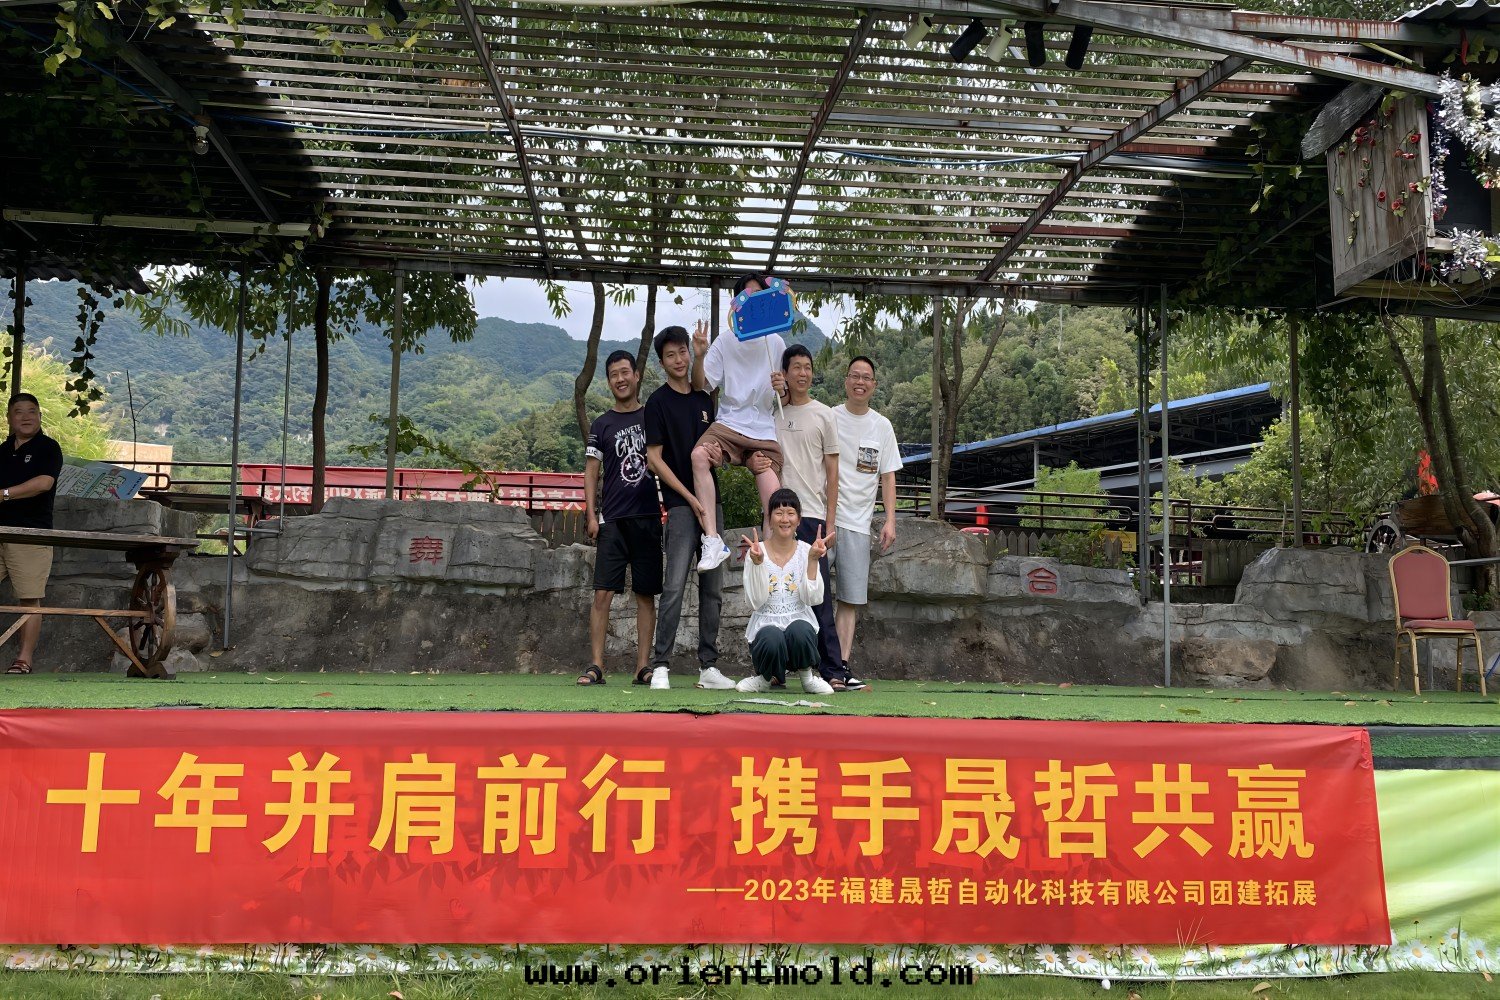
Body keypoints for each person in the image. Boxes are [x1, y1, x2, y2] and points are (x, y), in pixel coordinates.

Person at [642, 325, 737, 691]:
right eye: (671, 355)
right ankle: (661, 665)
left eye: (682, 352)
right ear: (662, 362)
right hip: (682, 506)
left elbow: (717, 454)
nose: (679, 359)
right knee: (675, 585)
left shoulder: (704, 400)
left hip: (712, 505)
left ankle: (708, 666)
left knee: (713, 589)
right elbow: (655, 460)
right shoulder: (657, 403)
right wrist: (689, 497)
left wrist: (719, 459)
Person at [689, 273, 786, 572]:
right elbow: (701, 385)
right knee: (698, 456)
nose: (753, 302)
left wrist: (781, 387)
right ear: (736, 305)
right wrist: (699, 356)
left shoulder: (776, 341)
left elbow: (785, 396)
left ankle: (771, 560)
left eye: (759, 295)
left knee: (774, 500)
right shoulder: (726, 340)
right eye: (747, 297)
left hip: (763, 429)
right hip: (730, 423)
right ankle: (712, 540)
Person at [578, 351, 660, 686]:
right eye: (614, 374)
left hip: (648, 516)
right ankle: (596, 665)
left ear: (637, 375)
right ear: (609, 381)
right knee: (602, 594)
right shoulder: (602, 425)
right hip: (612, 519)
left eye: (625, 372)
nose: (620, 379)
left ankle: (642, 667)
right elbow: (591, 471)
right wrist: (591, 514)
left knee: (645, 595)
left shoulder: (652, 416)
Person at [772, 343, 849, 688]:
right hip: (778, 516)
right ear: (785, 373)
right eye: (796, 367)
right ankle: (776, 669)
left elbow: (833, 472)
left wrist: (830, 523)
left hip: (813, 516)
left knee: (818, 594)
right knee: (779, 594)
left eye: (807, 367)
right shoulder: (773, 411)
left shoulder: (824, 415)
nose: (803, 373)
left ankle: (832, 669)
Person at [831, 356, 902, 690]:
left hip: (859, 524)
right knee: (811, 594)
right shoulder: (829, 417)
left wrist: (890, 520)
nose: (860, 382)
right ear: (846, 380)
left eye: (866, 377)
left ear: (874, 385)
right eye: (854, 376)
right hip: (825, 519)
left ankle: (841, 666)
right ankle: (806, 664)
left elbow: (888, 476)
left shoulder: (882, 426)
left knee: (849, 599)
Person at [735, 489, 836, 695]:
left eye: (790, 513)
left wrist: (813, 560)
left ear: (799, 520)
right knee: (771, 636)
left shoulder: (807, 550)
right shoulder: (756, 551)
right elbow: (755, 602)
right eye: (779, 513)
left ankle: (807, 678)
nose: (784, 519)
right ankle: (764, 679)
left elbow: (813, 598)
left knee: (801, 629)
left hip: (799, 634)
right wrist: (757, 564)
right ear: (770, 519)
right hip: (766, 630)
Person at [0, 393, 64, 675]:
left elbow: (43, 483)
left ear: (39, 416)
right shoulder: (2, 450)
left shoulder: (48, 447)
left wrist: (4, 494)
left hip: (30, 533)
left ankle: (23, 660)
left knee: (29, 597)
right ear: (9, 418)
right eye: (19, 411)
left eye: (32, 411)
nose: (26, 417)